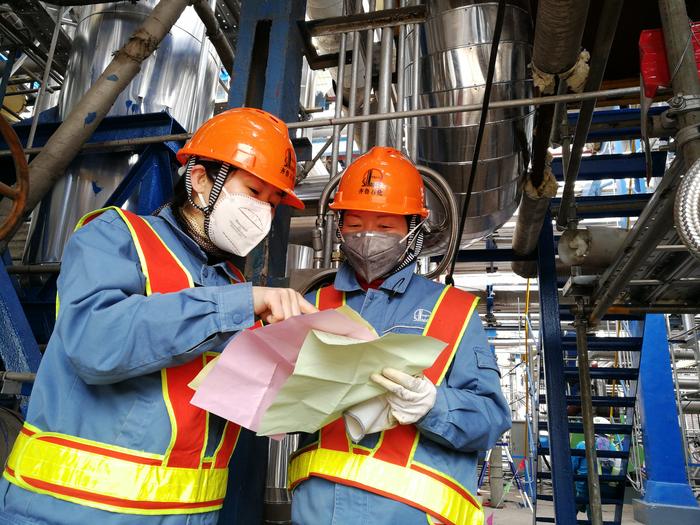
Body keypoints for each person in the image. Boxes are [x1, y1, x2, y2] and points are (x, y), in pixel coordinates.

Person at [0, 107, 316, 525]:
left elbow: (220, 405)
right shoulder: (116, 235)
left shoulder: (232, 283)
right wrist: (237, 305)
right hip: (74, 512)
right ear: (201, 180)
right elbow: (95, 344)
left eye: (274, 203)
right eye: (254, 192)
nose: (263, 213)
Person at [289, 146, 511, 525]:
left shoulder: (454, 312)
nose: (368, 237)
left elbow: (491, 419)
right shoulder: (312, 305)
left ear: (412, 230)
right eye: (355, 225)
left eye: (385, 225)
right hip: (317, 512)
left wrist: (433, 406)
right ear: (339, 228)